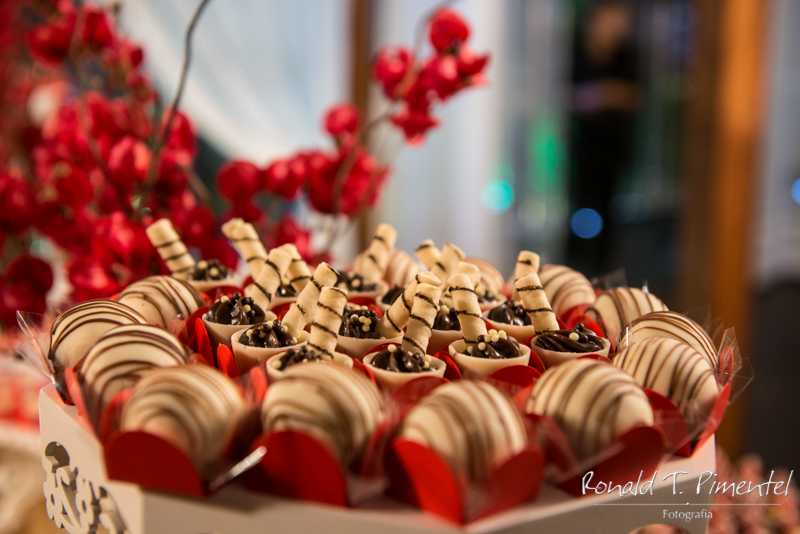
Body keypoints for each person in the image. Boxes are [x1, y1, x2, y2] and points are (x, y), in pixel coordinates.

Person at [567, 0, 640, 276]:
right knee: (579, 203)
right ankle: (574, 264)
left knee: (608, 209)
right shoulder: (575, 52)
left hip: (613, 146)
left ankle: (601, 268)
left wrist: (597, 95)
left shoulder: (626, 55)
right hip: (582, 145)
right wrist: (608, 93)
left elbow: (633, 95)